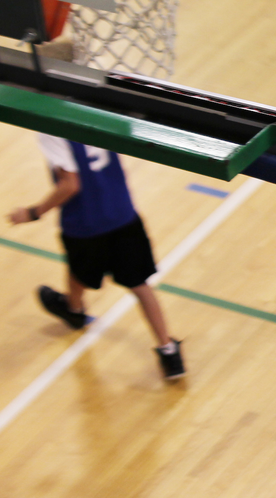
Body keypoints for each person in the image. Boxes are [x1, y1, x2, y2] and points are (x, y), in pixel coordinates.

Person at [6, 135, 184, 380]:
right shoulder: (98, 107)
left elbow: (70, 184)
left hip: (85, 222)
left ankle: (74, 310)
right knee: (139, 285)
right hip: (122, 214)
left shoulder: (51, 131)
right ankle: (168, 351)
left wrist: (33, 212)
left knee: (80, 265)